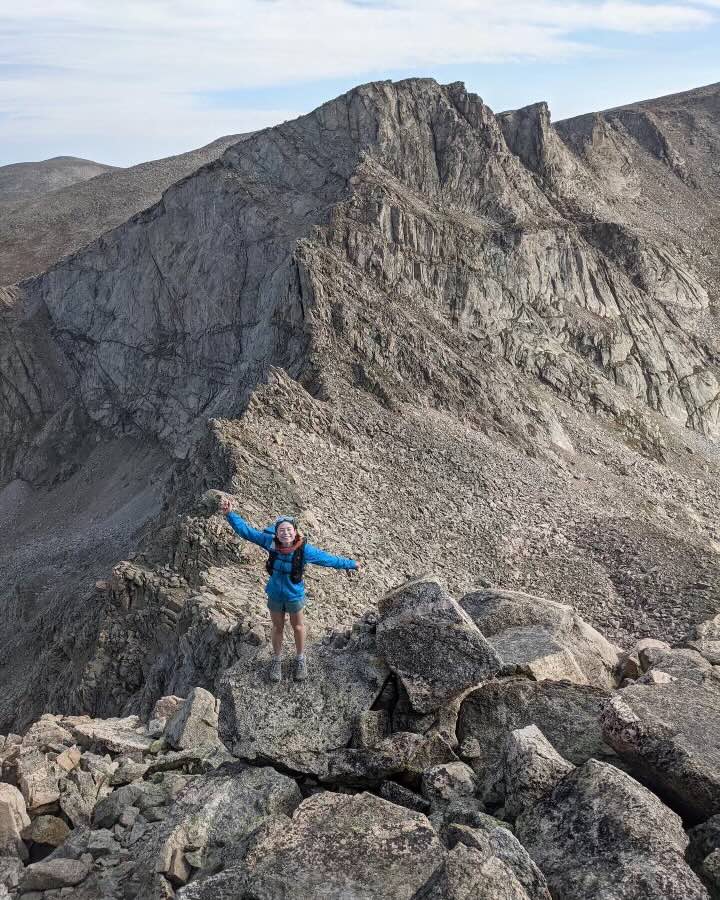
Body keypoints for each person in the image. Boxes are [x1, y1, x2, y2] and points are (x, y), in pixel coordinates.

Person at [218, 497, 360, 682]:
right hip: (276, 594)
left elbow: (328, 559)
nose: (285, 533)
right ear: (276, 533)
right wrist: (230, 514)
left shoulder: (304, 550)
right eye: (281, 530)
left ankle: (300, 659)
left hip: (294, 596)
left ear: (295, 532)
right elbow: (246, 532)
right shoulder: (270, 543)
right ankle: (276, 660)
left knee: (298, 626)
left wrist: (350, 564)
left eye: (289, 529)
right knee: (277, 627)